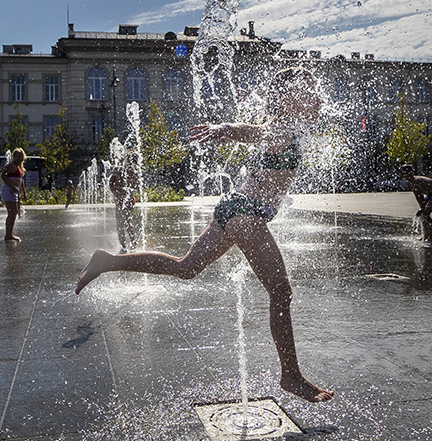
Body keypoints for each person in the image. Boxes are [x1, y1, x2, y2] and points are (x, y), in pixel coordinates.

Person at [75, 68, 334, 403]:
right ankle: (291, 375)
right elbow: (255, 132)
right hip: (246, 214)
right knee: (281, 291)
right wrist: (226, 128)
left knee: (186, 267)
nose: (317, 98)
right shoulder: (279, 126)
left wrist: (227, 129)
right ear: (289, 96)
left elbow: (260, 134)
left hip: (234, 208)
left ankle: (108, 261)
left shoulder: (284, 125)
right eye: (310, 91)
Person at [399, 164, 432, 242]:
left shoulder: (416, 181)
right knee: (423, 214)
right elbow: (417, 196)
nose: (400, 174)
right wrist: (421, 208)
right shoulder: (409, 182)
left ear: (408, 173)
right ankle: (425, 235)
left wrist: (422, 208)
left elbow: (420, 196)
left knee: (426, 214)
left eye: (402, 172)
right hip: (429, 194)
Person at [0, 148, 28, 241]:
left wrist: (24, 193)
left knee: (14, 212)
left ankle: (9, 234)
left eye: (21, 157)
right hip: (9, 190)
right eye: (18, 157)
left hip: (13, 190)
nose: (20, 159)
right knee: (12, 212)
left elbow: (21, 181)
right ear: (14, 157)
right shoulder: (11, 165)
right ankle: (8, 234)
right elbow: (3, 176)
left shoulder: (19, 167)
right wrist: (11, 186)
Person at [108, 165, 138, 252]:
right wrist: (130, 193)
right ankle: (133, 241)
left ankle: (124, 246)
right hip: (129, 199)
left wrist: (116, 193)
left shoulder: (117, 172)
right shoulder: (130, 172)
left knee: (120, 223)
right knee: (127, 221)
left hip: (122, 200)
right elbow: (135, 183)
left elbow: (110, 183)